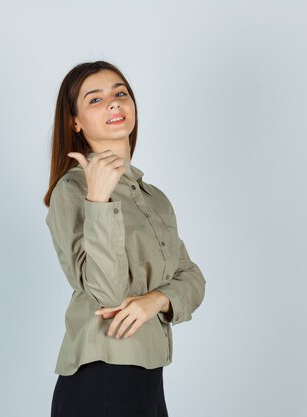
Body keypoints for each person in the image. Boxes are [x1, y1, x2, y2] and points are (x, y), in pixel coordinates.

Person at [43, 60, 206, 417]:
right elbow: (107, 293)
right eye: (95, 99)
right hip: (99, 378)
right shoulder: (70, 191)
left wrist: (157, 301)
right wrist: (98, 200)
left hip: (149, 380)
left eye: (120, 93)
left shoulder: (153, 197)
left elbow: (192, 278)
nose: (114, 103)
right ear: (75, 121)